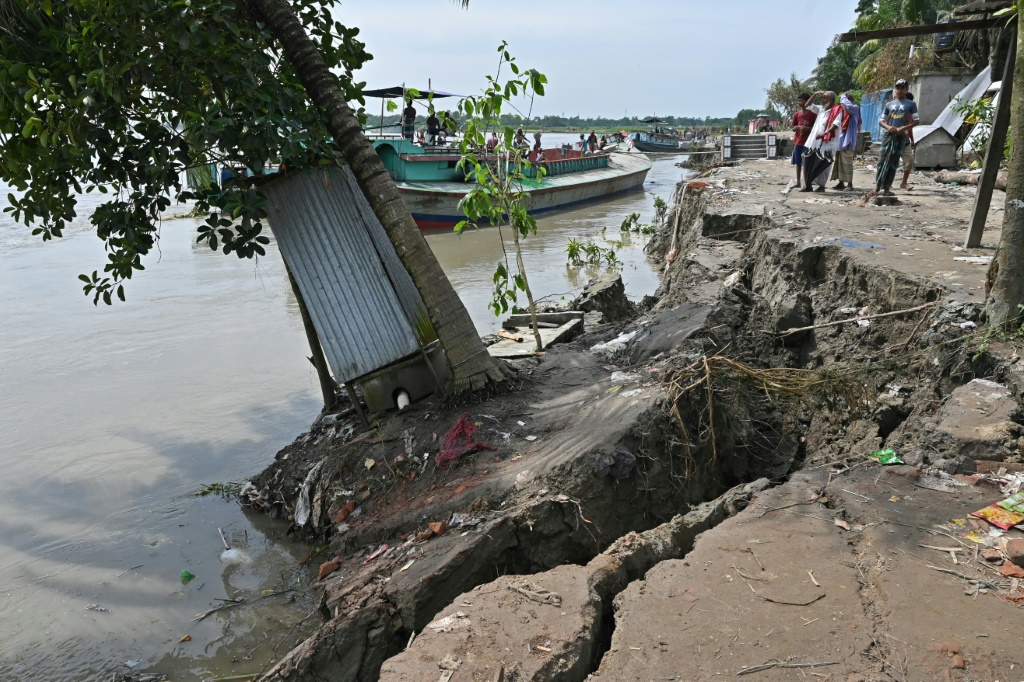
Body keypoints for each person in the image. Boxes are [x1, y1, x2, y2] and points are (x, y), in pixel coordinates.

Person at [873, 79, 919, 196]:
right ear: (895, 89)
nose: (899, 90)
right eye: (897, 88)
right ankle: (877, 186)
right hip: (889, 135)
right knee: (882, 161)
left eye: (902, 88)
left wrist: (903, 128)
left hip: (901, 136)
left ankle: (887, 188)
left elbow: (916, 121)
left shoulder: (911, 104)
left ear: (906, 90)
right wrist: (889, 127)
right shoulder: (889, 104)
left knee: (893, 162)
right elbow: (881, 121)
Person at [800, 90, 848, 193]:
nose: (822, 99)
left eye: (825, 97)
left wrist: (825, 133)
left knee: (824, 164)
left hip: (828, 142)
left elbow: (835, 124)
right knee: (810, 162)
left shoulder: (837, 110)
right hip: (815, 141)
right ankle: (808, 184)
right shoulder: (821, 109)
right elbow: (807, 105)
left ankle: (821, 186)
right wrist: (815, 94)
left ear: (831, 99)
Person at [831, 93, 862, 191]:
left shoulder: (854, 108)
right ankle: (841, 182)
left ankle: (849, 184)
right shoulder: (842, 110)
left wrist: (843, 97)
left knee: (847, 161)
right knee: (839, 161)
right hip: (840, 138)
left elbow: (858, 120)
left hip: (849, 138)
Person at [790, 93, 818, 187]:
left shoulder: (813, 115)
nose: (799, 102)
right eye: (798, 101)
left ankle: (806, 181)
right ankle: (798, 181)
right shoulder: (797, 114)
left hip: (808, 142)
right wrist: (796, 128)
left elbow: (816, 128)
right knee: (798, 163)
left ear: (807, 101)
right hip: (797, 141)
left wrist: (807, 129)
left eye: (801, 100)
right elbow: (793, 126)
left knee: (807, 163)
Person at [899, 93, 917, 190]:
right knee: (890, 164)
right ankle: (885, 185)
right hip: (895, 141)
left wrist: (912, 140)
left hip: (905, 141)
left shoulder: (911, 114)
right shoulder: (896, 111)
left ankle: (904, 183)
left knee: (909, 161)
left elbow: (911, 128)